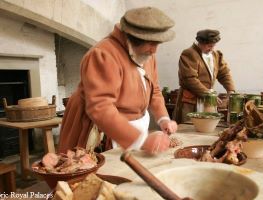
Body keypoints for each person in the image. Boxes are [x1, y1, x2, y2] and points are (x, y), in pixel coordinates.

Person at [58, 7, 178, 154]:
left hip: (132, 131)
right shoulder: (103, 54)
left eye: (158, 44)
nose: (155, 50)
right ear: (134, 38)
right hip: (99, 130)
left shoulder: (147, 54)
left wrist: (163, 119)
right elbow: (101, 107)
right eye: (152, 44)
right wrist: (142, 141)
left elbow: (155, 90)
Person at [173, 29, 235, 123]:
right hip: (191, 100)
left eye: (213, 46)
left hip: (207, 99)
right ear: (200, 42)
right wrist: (208, 94)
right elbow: (189, 79)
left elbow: (224, 73)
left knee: (206, 125)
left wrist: (230, 90)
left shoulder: (216, 55)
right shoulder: (189, 54)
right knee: (188, 127)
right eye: (209, 46)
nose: (211, 48)